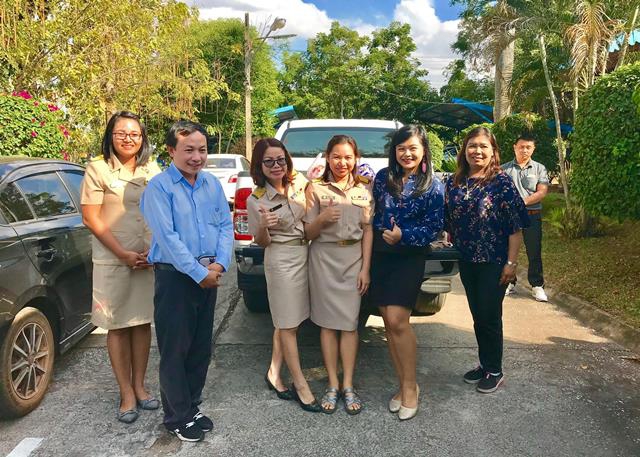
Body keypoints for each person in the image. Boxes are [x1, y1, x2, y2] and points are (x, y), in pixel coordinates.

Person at [140, 120, 233, 442]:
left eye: (202, 150)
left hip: (209, 275)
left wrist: (220, 263)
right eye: (189, 150)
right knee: (175, 350)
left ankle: (191, 407)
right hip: (175, 278)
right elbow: (167, 238)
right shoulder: (159, 187)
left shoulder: (211, 184)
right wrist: (199, 273)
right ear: (171, 151)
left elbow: (225, 226)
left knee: (200, 348)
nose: (197, 157)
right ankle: (176, 417)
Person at [81, 111, 161, 424]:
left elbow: (160, 209)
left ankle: (140, 386)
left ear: (142, 138)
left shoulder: (151, 168)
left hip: (146, 258)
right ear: (110, 136)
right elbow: (91, 218)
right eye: (121, 133)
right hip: (113, 260)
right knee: (117, 325)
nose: (128, 139)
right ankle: (125, 392)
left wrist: (154, 250)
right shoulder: (98, 168)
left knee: (141, 323)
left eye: (135, 134)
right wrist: (123, 254)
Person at [445, 126, 529, 394]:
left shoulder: (501, 182)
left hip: (494, 260)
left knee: (490, 315)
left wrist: (511, 263)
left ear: (493, 151)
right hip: (467, 260)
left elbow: (515, 227)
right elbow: (447, 218)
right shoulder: (455, 181)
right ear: (464, 150)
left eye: (483, 146)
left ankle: (495, 370)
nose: (477, 151)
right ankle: (484, 364)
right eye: (472, 146)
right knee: (478, 315)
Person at [369, 124, 444, 421]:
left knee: (399, 321)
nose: (407, 153)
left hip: (409, 257)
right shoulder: (382, 178)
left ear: (423, 150)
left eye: (413, 148)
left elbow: (434, 227)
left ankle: (411, 388)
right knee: (388, 323)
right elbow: (373, 215)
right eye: (401, 148)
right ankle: (402, 386)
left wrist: (405, 235)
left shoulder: (433, 185)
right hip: (381, 255)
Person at [246, 138, 321, 413]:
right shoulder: (256, 200)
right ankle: (300, 384)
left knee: (290, 321)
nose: (276, 165)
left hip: (306, 255)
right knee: (287, 324)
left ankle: (274, 372)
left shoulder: (300, 182)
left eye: (280, 160)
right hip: (281, 260)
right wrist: (263, 226)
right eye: (269, 161)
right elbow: (261, 241)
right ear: (259, 165)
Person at [304, 135, 373, 415]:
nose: (342, 162)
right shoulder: (315, 188)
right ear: (327, 158)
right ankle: (332, 384)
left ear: (356, 159)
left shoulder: (365, 188)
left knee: (349, 325)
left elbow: (368, 230)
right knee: (327, 325)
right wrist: (322, 219)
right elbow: (307, 232)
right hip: (323, 259)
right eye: (336, 156)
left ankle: (348, 385)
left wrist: (365, 268)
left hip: (353, 260)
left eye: (347, 157)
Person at [502, 134, 550, 301]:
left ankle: (537, 285)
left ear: (533, 149)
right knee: (507, 250)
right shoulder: (504, 169)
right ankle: (509, 282)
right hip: (509, 217)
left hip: (531, 216)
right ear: (515, 147)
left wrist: (521, 202)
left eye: (528, 147)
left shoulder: (539, 168)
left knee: (534, 251)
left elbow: (542, 192)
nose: (524, 150)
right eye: (521, 146)